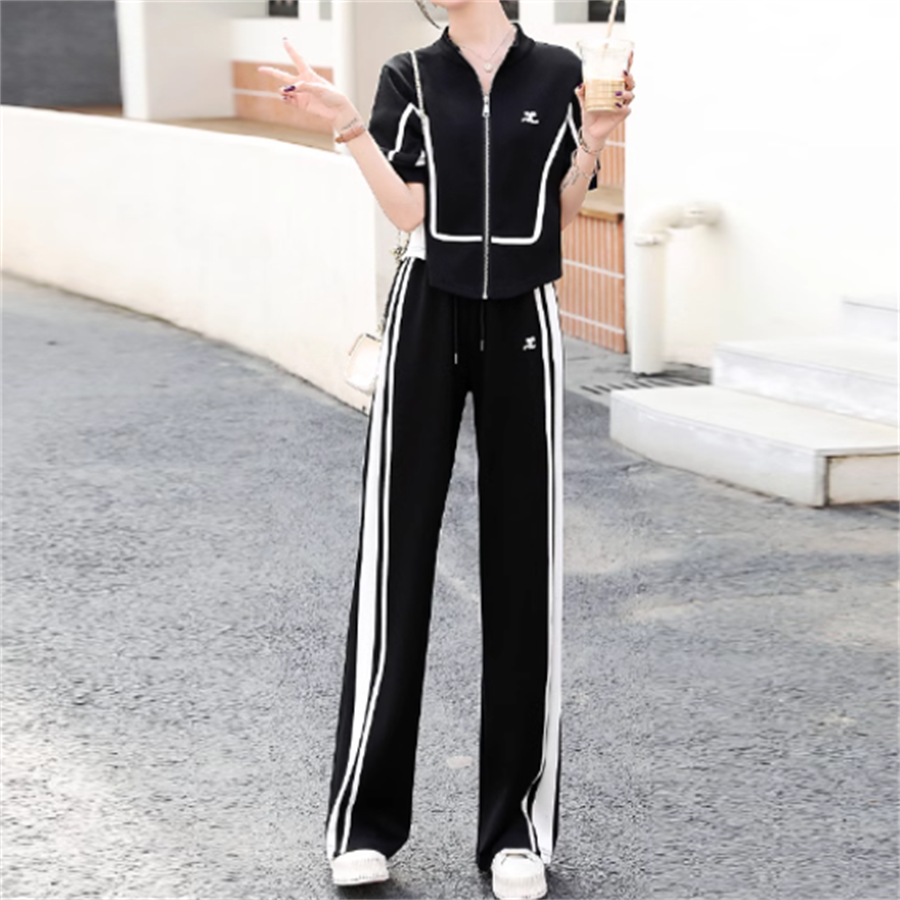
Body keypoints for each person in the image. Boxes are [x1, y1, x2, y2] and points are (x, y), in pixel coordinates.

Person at [260, 2, 634, 897]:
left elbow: (559, 215)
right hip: (426, 310)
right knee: (394, 559)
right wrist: (348, 124)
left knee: (523, 566)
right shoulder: (410, 75)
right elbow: (408, 208)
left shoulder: (558, 71)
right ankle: (363, 823)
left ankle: (516, 834)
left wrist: (595, 139)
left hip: (525, 319)